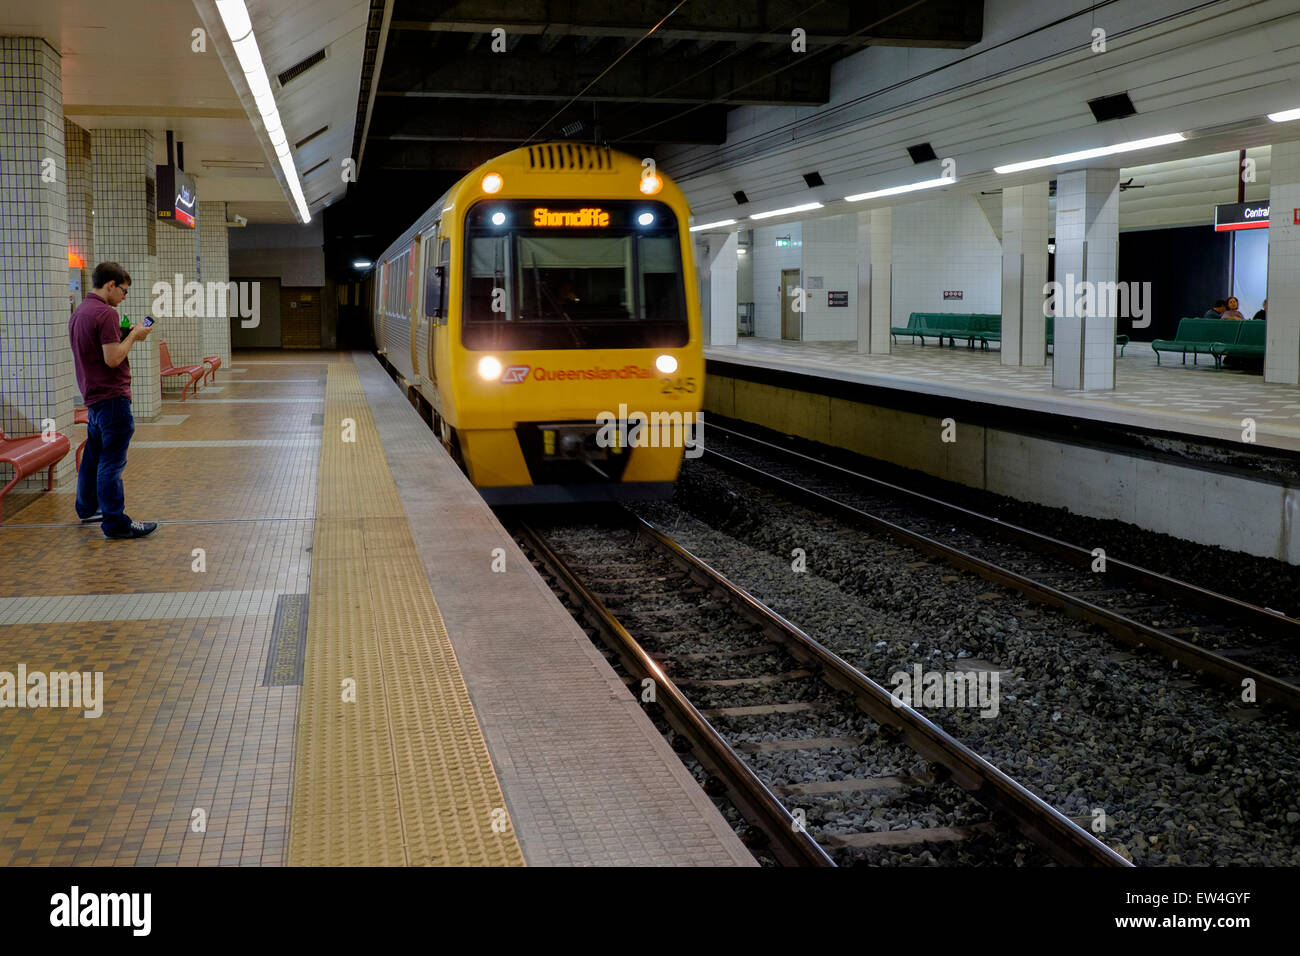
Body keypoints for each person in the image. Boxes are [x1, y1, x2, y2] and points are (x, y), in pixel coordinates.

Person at [68, 261, 157, 539]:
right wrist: (133, 335)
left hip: (93, 398)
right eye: (124, 290)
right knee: (112, 462)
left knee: (93, 457)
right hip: (112, 400)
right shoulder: (106, 313)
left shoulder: (80, 311)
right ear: (110, 285)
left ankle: (87, 508)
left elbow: (97, 352)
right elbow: (113, 358)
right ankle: (115, 523)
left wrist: (122, 337)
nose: (124, 297)